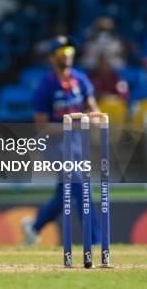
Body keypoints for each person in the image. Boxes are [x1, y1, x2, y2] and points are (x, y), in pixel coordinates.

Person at [22, 36, 102, 245]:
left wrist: (96, 117)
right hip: (53, 143)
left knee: (65, 191)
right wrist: (75, 124)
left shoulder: (80, 79)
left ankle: (34, 226)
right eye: (61, 52)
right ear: (52, 57)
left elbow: (92, 105)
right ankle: (95, 241)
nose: (66, 55)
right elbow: (42, 127)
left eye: (69, 51)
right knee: (79, 184)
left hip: (76, 142)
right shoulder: (46, 86)